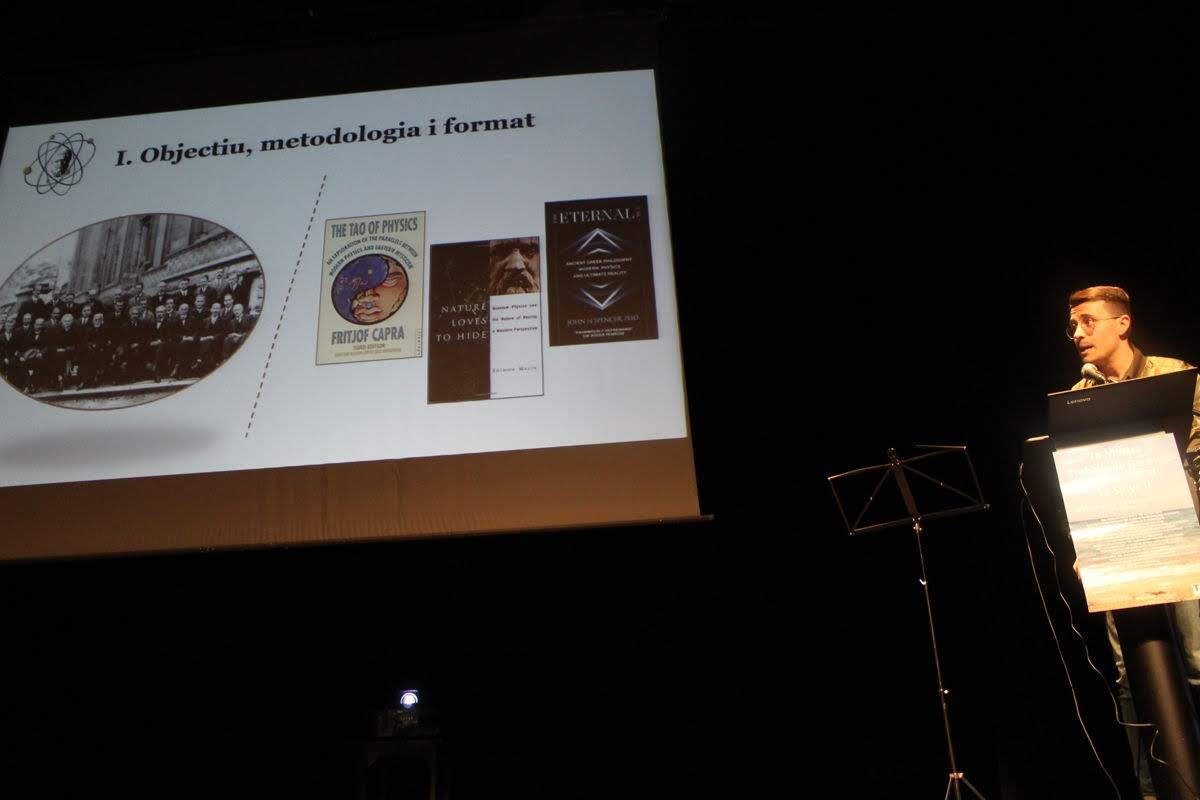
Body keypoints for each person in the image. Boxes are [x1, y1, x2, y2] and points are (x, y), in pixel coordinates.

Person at [1066, 285, 1200, 796]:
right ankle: (1152, 792)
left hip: (1183, 537)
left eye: (1088, 321)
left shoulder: (1174, 375)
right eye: (1073, 326)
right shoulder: (1081, 394)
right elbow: (1080, 478)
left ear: (1122, 324)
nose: (1078, 333)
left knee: (1198, 660)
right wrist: (1084, 544)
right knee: (1132, 677)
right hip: (1120, 547)